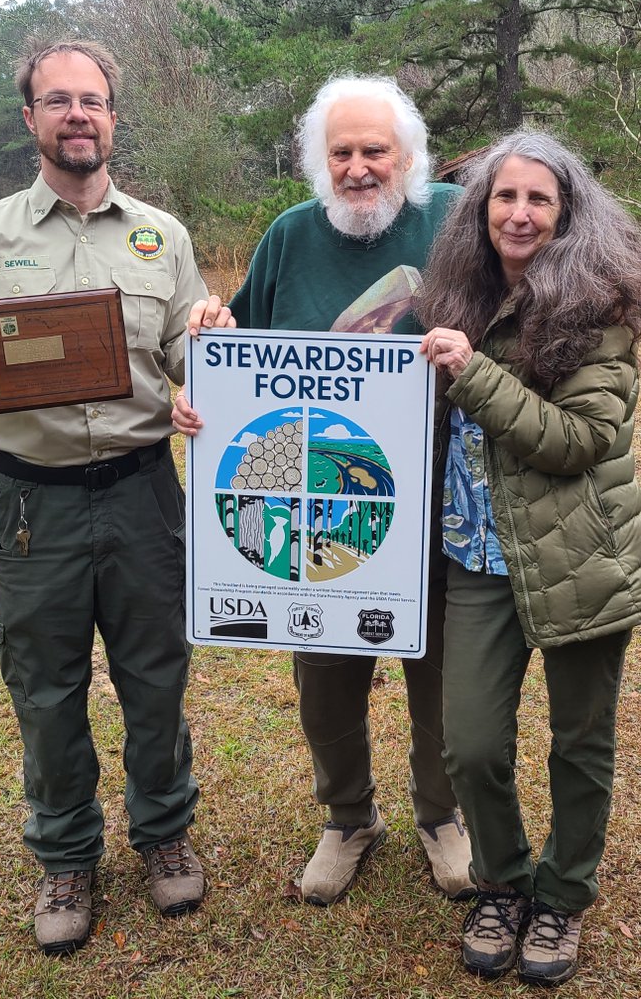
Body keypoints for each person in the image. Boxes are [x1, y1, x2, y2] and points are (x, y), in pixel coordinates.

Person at [0, 38, 229, 956]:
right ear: (31, 119)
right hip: (32, 504)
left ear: (113, 116)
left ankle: (164, 834)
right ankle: (65, 853)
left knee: (154, 675)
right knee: (45, 689)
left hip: (142, 492)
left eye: (92, 100)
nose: (77, 115)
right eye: (58, 101)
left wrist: (209, 344)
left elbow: (183, 354)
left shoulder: (160, 236)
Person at [175, 75, 474, 905]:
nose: (358, 167)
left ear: (407, 155)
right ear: (319, 161)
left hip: (438, 495)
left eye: (374, 150)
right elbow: (243, 354)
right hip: (318, 501)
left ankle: (441, 815)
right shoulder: (290, 237)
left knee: (440, 670)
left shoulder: (452, 220)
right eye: (340, 152)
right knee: (326, 672)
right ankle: (348, 818)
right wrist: (213, 337)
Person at [417, 129, 641, 986]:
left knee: (578, 741)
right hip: (478, 557)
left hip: (580, 560)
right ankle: (505, 882)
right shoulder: (456, 296)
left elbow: (581, 440)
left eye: (538, 200)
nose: (518, 215)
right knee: (472, 745)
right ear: (479, 213)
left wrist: (472, 376)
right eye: (503, 199)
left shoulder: (598, 308)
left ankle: (560, 898)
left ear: (567, 214)